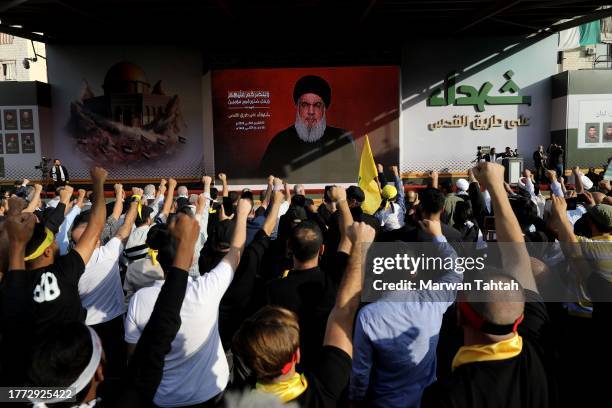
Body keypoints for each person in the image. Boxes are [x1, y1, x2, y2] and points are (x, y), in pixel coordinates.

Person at [422, 162, 553, 408]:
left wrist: (493, 186)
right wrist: (496, 188)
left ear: (460, 316)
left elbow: (515, 256)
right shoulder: (538, 346)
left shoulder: (446, 396)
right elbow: (516, 255)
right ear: (520, 317)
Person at [233, 221, 375, 407]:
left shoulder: (272, 289)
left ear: (289, 247)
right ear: (322, 250)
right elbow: (345, 309)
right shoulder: (327, 388)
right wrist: (361, 245)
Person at [124, 198, 251, 406]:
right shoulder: (207, 288)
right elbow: (236, 251)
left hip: (165, 397)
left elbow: (134, 355)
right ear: (191, 259)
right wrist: (243, 215)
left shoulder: (139, 300)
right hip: (213, 391)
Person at [349, 218, 463, 407]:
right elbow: (455, 271)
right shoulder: (432, 301)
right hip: (426, 400)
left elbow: (361, 372)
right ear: (413, 272)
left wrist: (355, 400)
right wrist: (438, 236)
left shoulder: (368, 316)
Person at [259, 75, 358, 182]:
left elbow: (352, 180)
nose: (311, 111)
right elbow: (264, 182)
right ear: (298, 108)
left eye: (317, 105)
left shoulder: (341, 139)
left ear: (324, 109)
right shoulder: (280, 142)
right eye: (305, 105)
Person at [375, 165, 406, 232]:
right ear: (395, 197)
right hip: (403, 230)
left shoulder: (381, 212)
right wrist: (396, 173)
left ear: (382, 196)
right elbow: (400, 191)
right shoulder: (399, 206)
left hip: (390, 234)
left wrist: (380, 173)